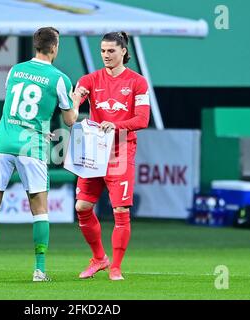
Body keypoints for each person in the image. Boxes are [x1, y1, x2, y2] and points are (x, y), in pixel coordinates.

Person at [0, 27, 87, 282]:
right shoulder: (59, 78)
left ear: (36, 46)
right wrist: (76, 98)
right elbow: (70, 120)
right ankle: (39, 269)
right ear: (55, 47)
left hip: (2, 141)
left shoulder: (15, 71)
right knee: (39, 209)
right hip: (30, 146)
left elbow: (14, 108)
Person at [74, 31, 151, 280]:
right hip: (94, 151)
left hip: (120, 151)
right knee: (82, 206)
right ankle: (99, 258)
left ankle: (116, 266)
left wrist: (116, 126)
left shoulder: (138, 82)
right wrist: (74, 104)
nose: (106, 55)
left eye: (111, 51)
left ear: (124, 52)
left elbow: (142, 119)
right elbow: (79, 95)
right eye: (103, 51)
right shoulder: (91, 78)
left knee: (120, 210)